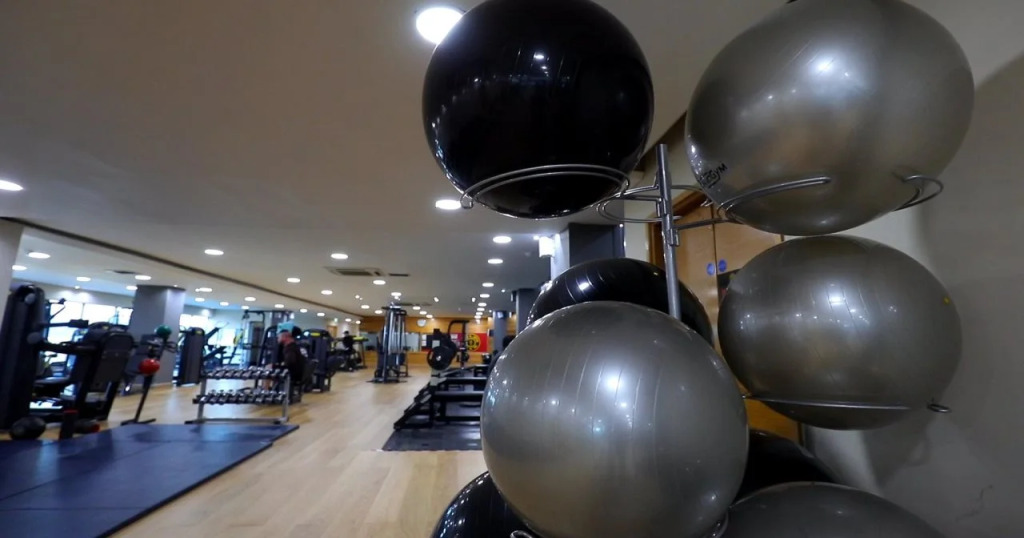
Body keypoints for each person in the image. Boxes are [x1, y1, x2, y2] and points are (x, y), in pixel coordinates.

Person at [277, 328, 306, 402]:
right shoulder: (294, 346)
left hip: (293, 374)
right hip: (297, 372)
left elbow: (290, 362)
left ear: (285, 337)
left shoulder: (290, 348)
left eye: (279, 337)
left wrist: (276, 366)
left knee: (268, 371)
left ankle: (266, 394)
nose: (277, 339)